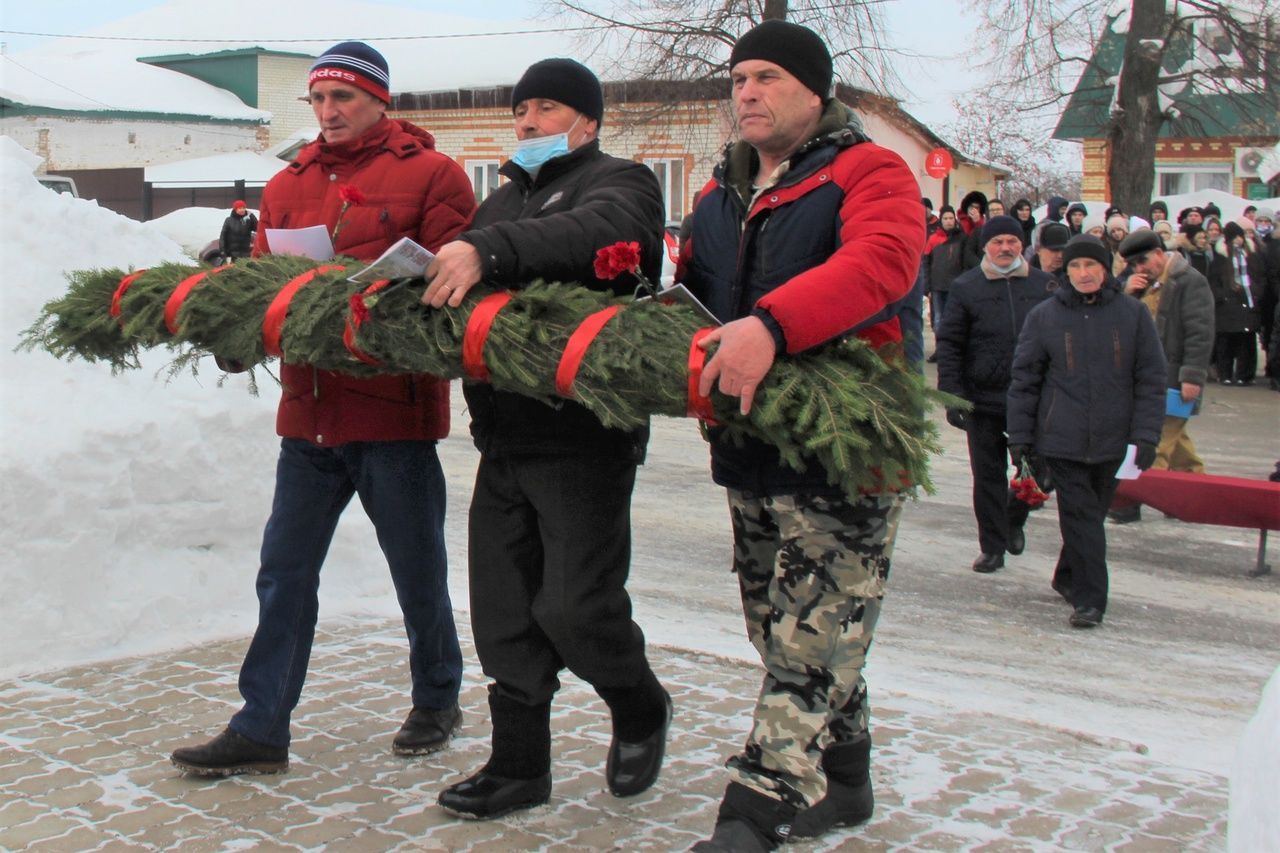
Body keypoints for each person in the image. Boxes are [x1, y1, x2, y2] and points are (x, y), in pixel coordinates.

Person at [169, 42, 474, 776]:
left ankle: (437, 695)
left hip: (391, 416)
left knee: (416, 568)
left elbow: (453, 289)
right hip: (307, 415)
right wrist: (241, 326)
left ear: (379, 101)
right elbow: (273, 290)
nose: (328, 112)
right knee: (284, 571)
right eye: (318, 100)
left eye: (343, 98)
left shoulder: (434, 175)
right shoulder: (287, 184)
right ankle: (261, 725)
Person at [677, 20, 923, 852]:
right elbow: (692, 300)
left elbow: (884, 262)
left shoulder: (869, 171)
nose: (747, 91)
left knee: (809, 643)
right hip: (750, 452)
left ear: (815, 93)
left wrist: (773, 327)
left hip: (847, 452)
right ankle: (848, 781)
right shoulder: (717, 197)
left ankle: (755, 812)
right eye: (739, 77)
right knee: (780, 626)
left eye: (768, 77)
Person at [421, 58, 671, 821]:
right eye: (521, 109)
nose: (527, 121)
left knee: (575, 607)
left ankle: (639, 701)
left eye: (546, 107)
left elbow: (597, 233)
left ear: (587, 122)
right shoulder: (502, 199)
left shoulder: (621, 183)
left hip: (582, 436)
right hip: (504, 434)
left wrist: (490, 252)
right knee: (502, 610)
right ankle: (519, 766)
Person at [1007, 235, 1166, 628]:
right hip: (1062, 437)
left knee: (1089, 517)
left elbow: (1150, 377)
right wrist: (1021, 438)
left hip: (1115, 438)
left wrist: (1146, 435)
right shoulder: (1045, 316)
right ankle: (1091, 600)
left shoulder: (1133, 315)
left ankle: (1066, 576)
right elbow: (1025, 381)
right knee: (1080, 518)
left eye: (1090, 266)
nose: (1082, 274)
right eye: (1075, 267)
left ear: (1106, 269)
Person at [935, 215, 1056, 573]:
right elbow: (951, 342)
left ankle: (1013, 517)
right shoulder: (966, 287)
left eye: (1012, 242)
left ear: (1022, 246)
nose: (1005, 248)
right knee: (987, 475)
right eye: (998, 242)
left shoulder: (1045, 285)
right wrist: (952, 392)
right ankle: (992, 546)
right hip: (982, 397)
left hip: (1033, 398)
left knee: (1037, 471)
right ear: (986, 246)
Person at [1108, 228, 1215, 524]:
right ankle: (1196, 494)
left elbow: (1200, 333)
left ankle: (1131, 500)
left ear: (1159, 253)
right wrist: (1127, 293)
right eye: (1132, 264)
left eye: (1142, 261)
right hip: (1146, 379)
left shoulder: (1190, 281)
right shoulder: (1141, 285)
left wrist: (1193, 376)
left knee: (1156, 444)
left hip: (1175, 380)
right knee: (1179, 446)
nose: (1139, 268)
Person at [1208, 220, 1266, 386]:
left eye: (1240, 237)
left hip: (1248, 304)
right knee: (1225, 342)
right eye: (1234, 238)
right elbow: (1213, 282)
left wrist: (1254, 293)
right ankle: (1225, 373)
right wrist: (1224, 296)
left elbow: (1261, 278)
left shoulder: (1252, 257)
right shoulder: (1220, 259)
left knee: (1247, 342)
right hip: (1226, 308)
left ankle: (1245, 374)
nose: (1238, 240)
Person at [924, 205, 965, 356]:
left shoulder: (961, 238)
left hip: (955, 286)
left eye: (951, 218)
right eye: (945, 218)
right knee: (938, 319)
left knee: (954, 319)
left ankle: (952, 349)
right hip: (937, 286)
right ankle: (940, 349)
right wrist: (927, 286)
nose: (949, 221)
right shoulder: (933, 239)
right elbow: (926, 263)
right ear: (941, 220)